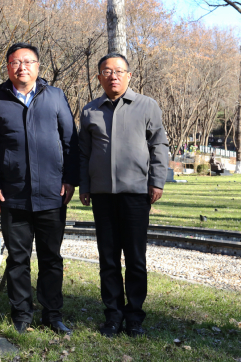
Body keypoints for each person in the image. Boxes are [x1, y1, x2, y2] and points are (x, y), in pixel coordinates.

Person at [0, 42, 79, 335]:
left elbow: (70, 142)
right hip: (13, 194)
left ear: (38, 66)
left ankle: (53, 315)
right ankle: (22, 314)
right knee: (18, 258)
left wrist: (69, 180)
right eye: (15, 62)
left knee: (51, 258)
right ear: (8, 67)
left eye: (28, 62)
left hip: (51, 193)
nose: (22, 67)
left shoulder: (55, 96)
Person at [79, 52, 168, 338]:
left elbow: (159, 145)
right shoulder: (90, 111)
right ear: (99, 77)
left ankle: (134, 317)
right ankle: (113, 315)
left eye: (119, 71)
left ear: (129, 75)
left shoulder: (147, 105)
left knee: (135, 258)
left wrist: (157, 182)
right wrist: (85, 185)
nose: (113, 76)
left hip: (136, 194)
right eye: (107, 71)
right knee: (108, 258)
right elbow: (83, 153)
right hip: (102, 195)